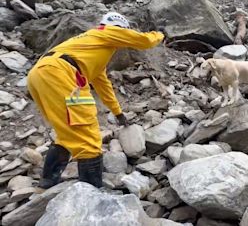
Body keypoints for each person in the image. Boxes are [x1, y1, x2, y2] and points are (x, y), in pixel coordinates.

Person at [27, 12, 164, 189]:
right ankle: (91, 195)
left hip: (39, 74)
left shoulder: (92, 52)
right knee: (88, 138)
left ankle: (47, 181)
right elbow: (144, 41)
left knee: (67, 132)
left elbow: (104, 87)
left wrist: (118, 113)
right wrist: (160, 34)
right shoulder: (105, 32)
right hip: (60, 73)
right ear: (119, 28)